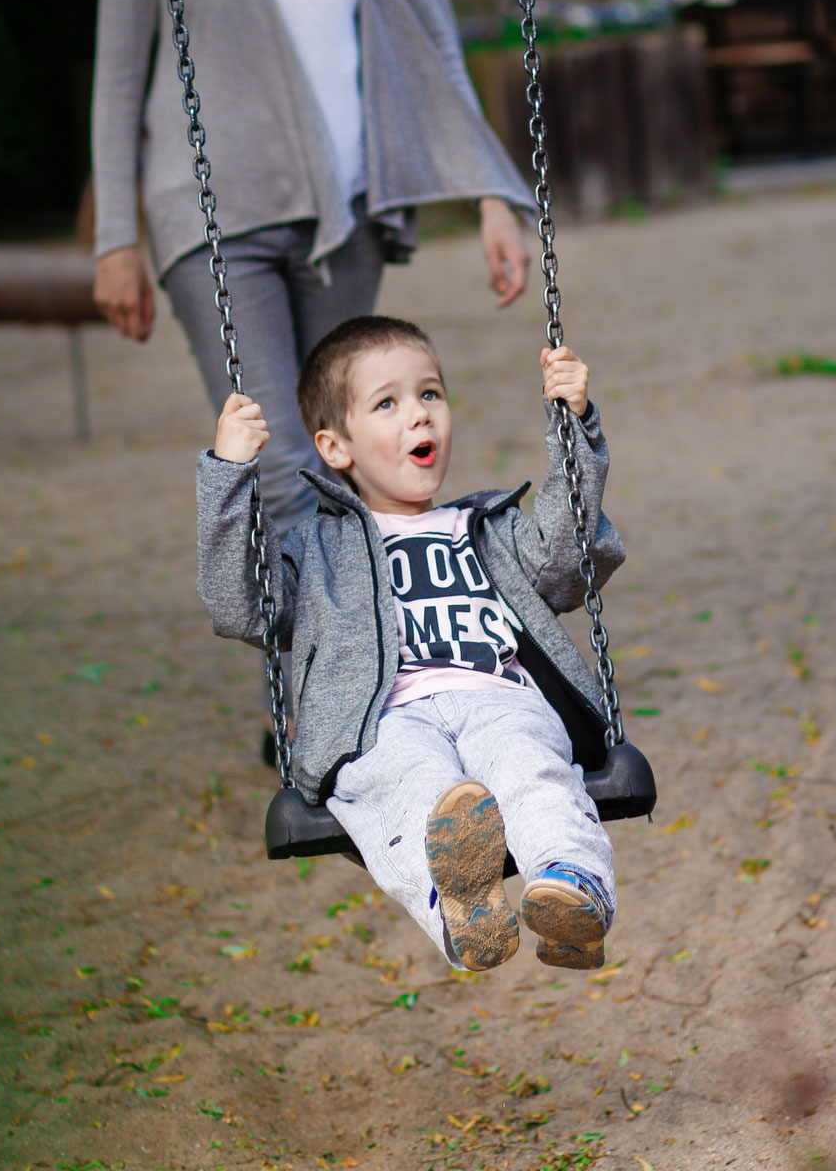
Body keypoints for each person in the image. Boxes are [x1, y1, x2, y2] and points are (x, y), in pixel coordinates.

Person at [91, 0, 536, 532]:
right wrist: (117, 237)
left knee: (346, 460)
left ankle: (351, 668)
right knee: (276, 461)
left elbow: (432, 38)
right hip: (212, 212)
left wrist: (493, 190)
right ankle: (301, 674)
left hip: (347, 208)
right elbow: (117, 65)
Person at [196, 315, 624, 971]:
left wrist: (575, 426)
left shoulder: (491, 527)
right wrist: (229, 473)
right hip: (382, 720)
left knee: (530, 767)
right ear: (335, 447)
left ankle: (572, 890)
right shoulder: (317, 549)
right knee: (411, 785)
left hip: (498, 697)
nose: (419, 416)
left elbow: (571, 564)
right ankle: (463, 908)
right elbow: (242, 607)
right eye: (387, 403)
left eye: (430, 394)